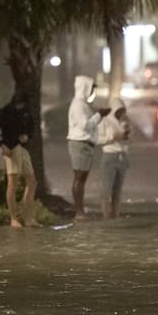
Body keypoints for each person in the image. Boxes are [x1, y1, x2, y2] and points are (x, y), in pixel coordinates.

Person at [0, 92, 39, 227]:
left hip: (23, 149)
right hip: (11, 149)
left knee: (32, 182)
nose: (21, 107)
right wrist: (1, 144)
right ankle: (13, 218)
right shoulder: (4, 112)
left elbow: (31, 126)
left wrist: (27, 135)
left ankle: (27, 217)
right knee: (12, 184)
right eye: (19, 104)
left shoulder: (26, 111)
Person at [67, 75, 110, 218]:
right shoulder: (78, 105)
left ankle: (80, 210)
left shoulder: (83, 104)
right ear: (85, 88)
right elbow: (85, 125)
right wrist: (99, 115)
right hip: (79, 143)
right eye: (91, 88)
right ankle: (79, 211)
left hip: (85, 143)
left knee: (82, 178)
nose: (92, 92)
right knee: (79, 177)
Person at [97, 97, 131, 218]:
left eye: (122, 110)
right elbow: (98, 139)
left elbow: (128, 140)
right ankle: (106, 214)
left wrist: (127, 133)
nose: (120, 113)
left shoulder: (125, 121)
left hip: (122, 156)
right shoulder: (105, 121)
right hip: (109, 155)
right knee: (106, 188)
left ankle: (116, 214)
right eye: (118, 110)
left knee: (118, 189)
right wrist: (112, 136)